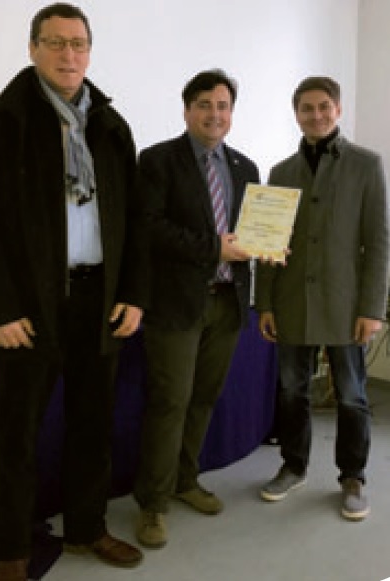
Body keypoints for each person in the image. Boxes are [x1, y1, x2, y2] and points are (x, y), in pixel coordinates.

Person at [0, 4, 147, 580]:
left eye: (78, 44)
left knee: (93, 425)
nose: (70, 54)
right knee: (18, 435)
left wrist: (134, 294)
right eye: (56, 42)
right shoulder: (3, 120)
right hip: (28, 307)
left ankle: (88, 528)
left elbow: (134, 220)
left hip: (99, 301)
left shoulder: (111, 126)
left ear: (89, 52)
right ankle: (11, 550)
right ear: (33, 49)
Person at [133, 69, 260, 548]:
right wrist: (213, 249)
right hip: (176, 305)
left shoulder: (245, 167)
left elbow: (251, 232)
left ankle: (185, 480)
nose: (214, 114)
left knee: (204, 398)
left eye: (223, 105)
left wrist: (268, 247)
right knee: (170, 403)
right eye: (204, 104)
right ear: (187, 110)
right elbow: (149, 227)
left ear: (232, 113)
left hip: (228, 303)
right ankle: (153, 503)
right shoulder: (157, 161)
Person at [255, 76, 389, 521]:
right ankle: (293, 466)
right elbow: (269, 247)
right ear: (296, 114)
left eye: (324, 106)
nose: (316, 115)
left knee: (351, 395)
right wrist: (266, 303)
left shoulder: (366, 165)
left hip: (346, 304)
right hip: (292, 301)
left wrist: (372, 309)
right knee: (292, 390)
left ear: (338, 109)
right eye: (306, 108)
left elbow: (378, 242)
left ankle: (353, 476)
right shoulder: (281, 173)